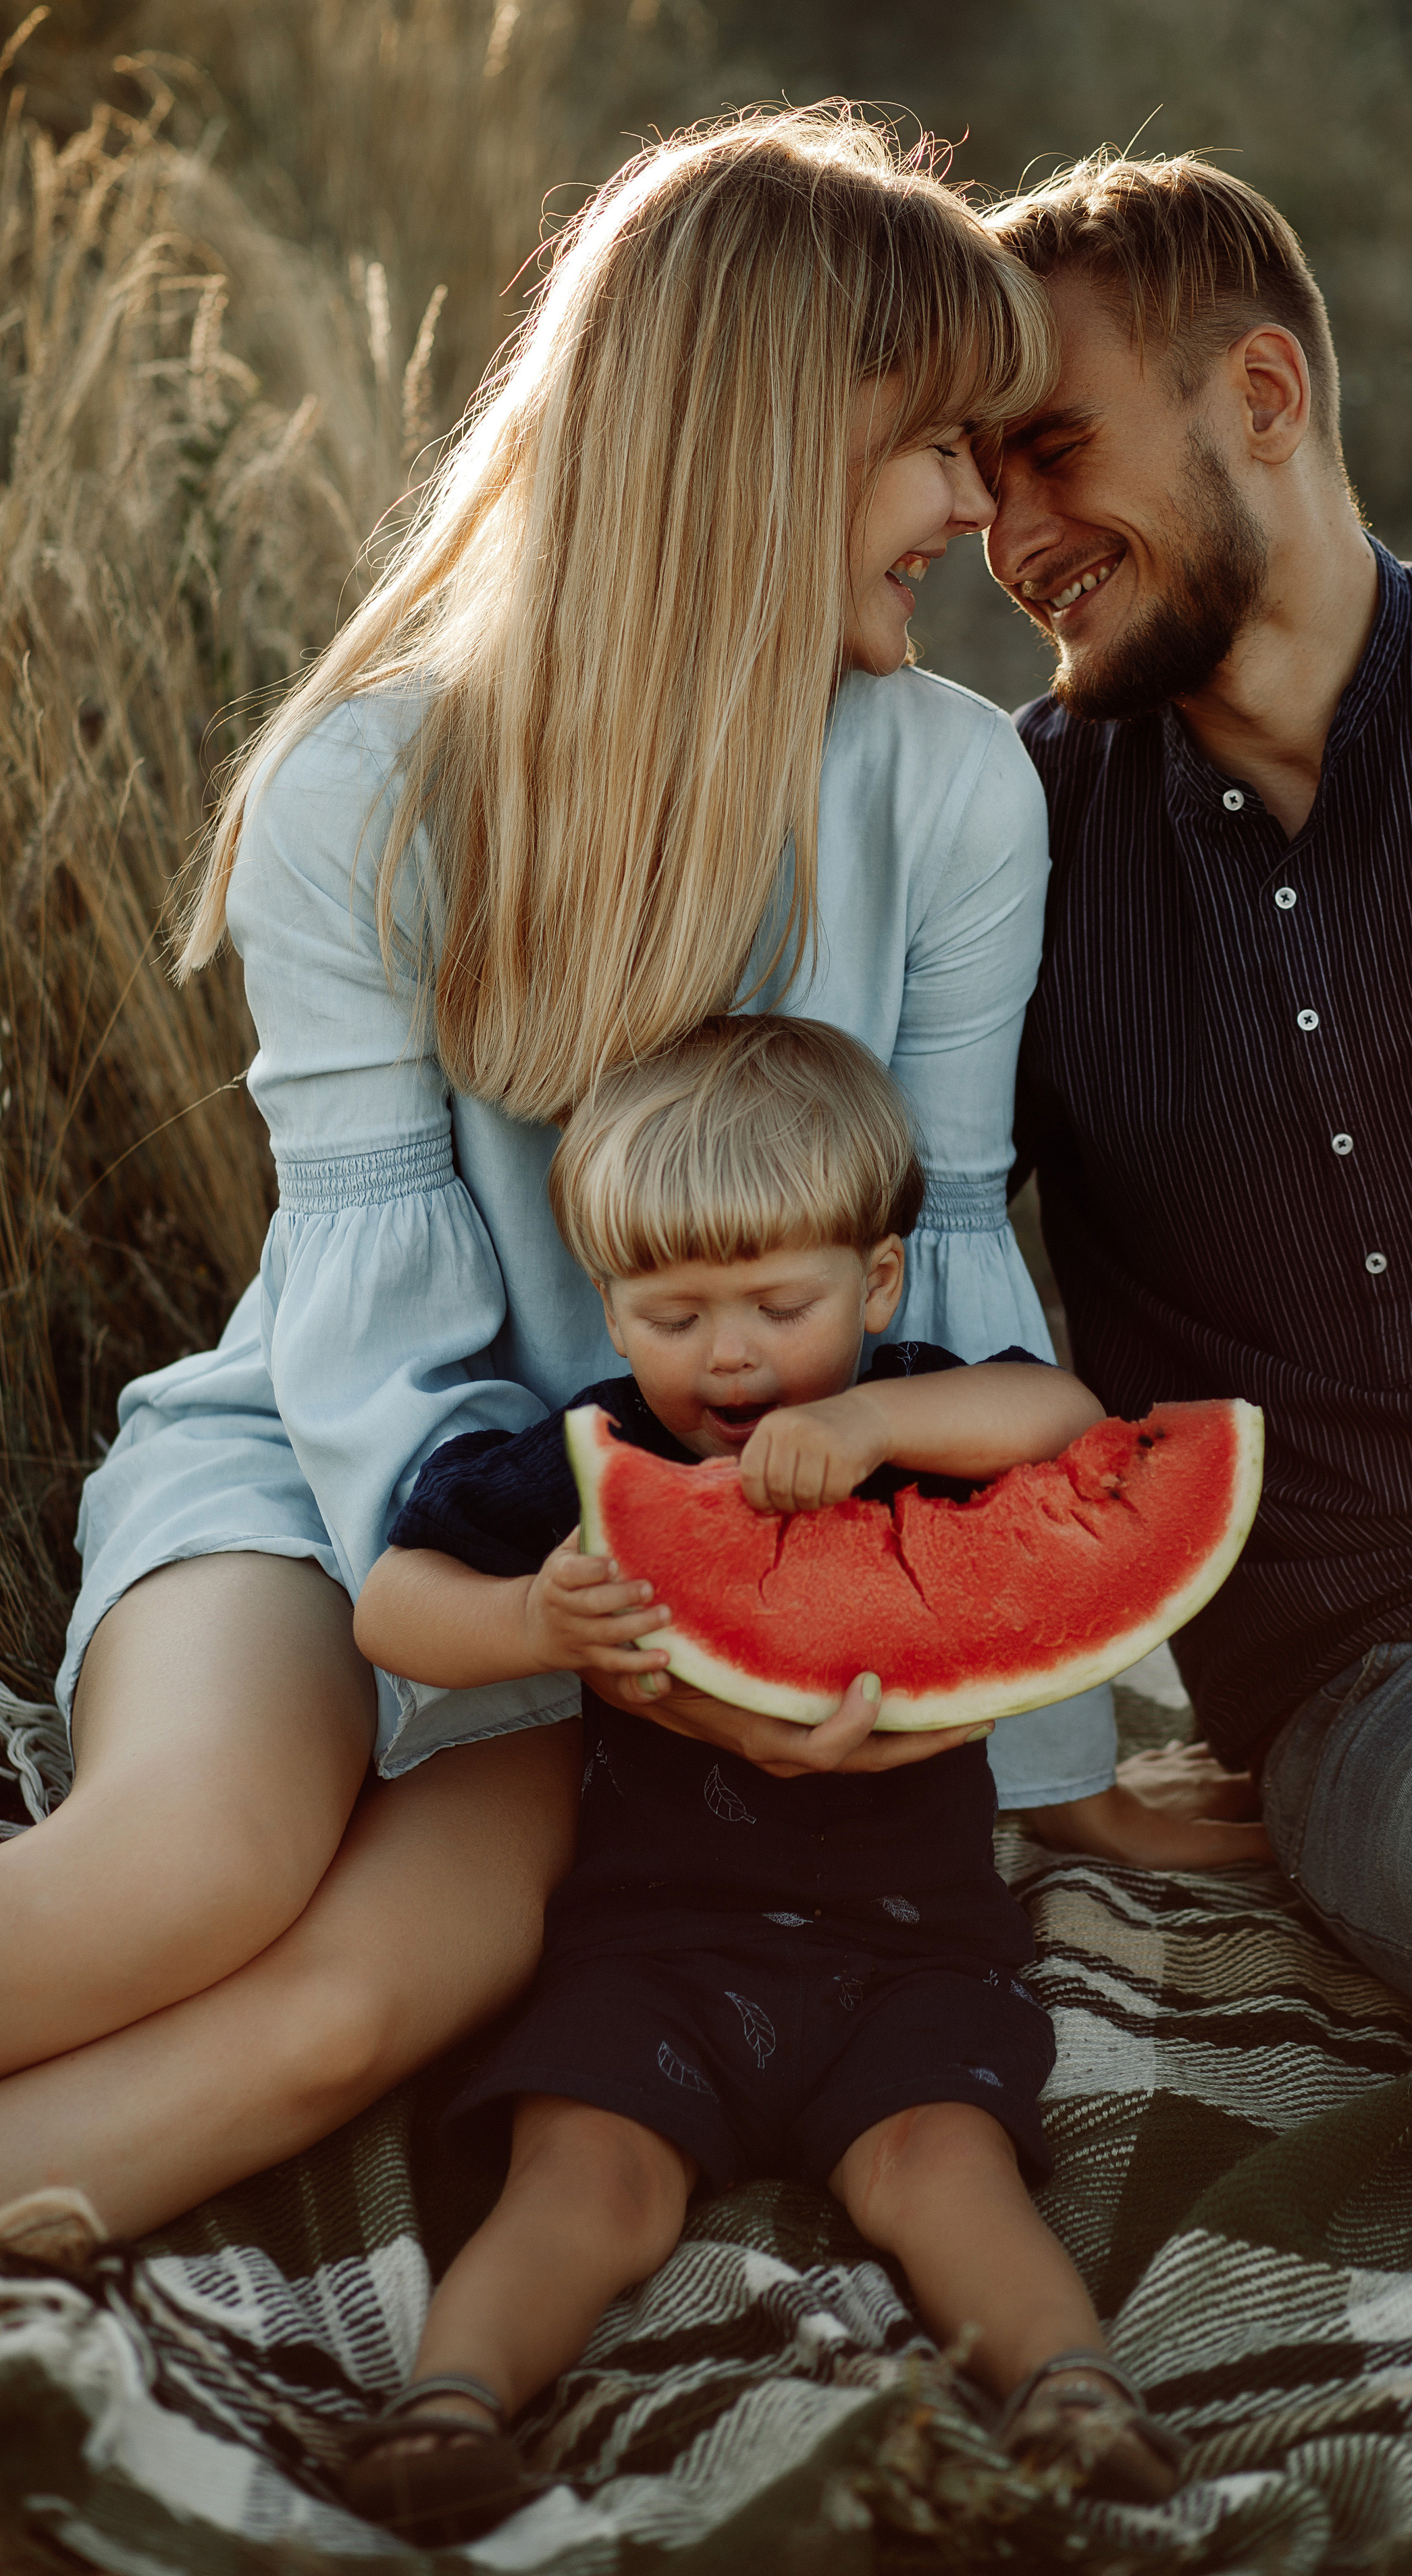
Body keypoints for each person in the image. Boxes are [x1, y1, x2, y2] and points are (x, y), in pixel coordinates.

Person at [0, 109, 1236, 2255]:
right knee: (200, 1872)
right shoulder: (366, 791)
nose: (969, 506)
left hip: (669, 1567)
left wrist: (1017, 1732)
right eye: (930, 441)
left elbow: (941, 1254)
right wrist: (504, 1595)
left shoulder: (945, 790)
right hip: (329, 1486)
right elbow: (369, 1324)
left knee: (362, 2003)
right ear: (749, 435)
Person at [980, 150, 1412, 2092]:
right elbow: (899, 1281)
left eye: (1054, 449)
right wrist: (1035, 1756)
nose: (1015, 534)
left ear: (1264, 399)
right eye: (983, 486)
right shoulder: (1006, 850)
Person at [332, 1015, 1181, 2544]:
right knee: (582, 2183)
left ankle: (1070, 2392)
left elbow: (1067, 1427)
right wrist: (527, 1618)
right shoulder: (589, 1458)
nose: (725, 1354)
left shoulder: (919, 1418)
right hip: (651, 1951)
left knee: (946, 2172)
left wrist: (862, 1421)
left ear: (875, 1284)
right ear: (606, 1305)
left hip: (911, 1954)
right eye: (666, 1314)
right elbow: (390, 1600)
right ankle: (444, 2410)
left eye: (778, 1305)